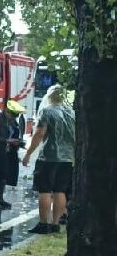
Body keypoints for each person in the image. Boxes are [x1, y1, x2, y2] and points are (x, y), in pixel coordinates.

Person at [22, 84, 75, 234]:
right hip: (67, 158)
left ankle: (43, 223)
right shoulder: (71, 112)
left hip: (48, 156)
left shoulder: (46, 111)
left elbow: (39, 133)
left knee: (44, 190)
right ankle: (55, 223)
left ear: (49, 96)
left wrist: (28, 153)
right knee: (60, 190)